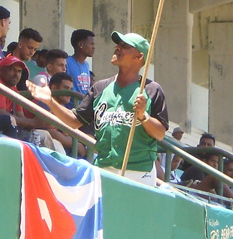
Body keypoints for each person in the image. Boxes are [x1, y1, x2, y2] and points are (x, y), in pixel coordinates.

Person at [28, 31, 168, 187]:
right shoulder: (101, 87)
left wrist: (143, 116)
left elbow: (160, 133)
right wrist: (50, 101)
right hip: (104, 168)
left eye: (124, 46)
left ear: (139, 57)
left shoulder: (151, 90)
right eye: (118, 44)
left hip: (139, 172)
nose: (117, 48)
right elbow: (75, 121)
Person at [66, 29, 95, 97]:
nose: (94, 47)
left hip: (84, 106)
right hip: (71, 107)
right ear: (81, 44)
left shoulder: (86, 65)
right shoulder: (67, 62)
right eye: (91, 44)